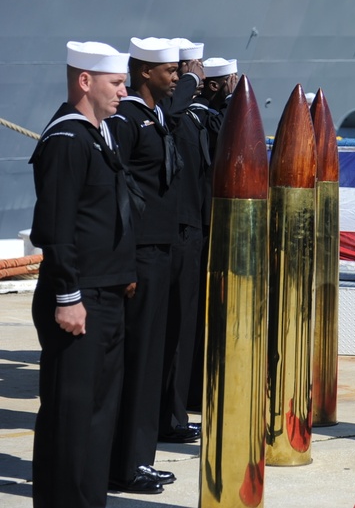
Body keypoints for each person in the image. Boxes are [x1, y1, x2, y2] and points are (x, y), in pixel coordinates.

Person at [29, 41, 136, 508]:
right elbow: (56, 226)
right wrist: (68, 296)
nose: (123, 90)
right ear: (85, 81)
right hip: (79, 299)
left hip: (106, 293)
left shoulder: (99, 133)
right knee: (69, 421)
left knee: (98, 417)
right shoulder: (67, 139)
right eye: (116, 82)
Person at [106, 37, 201, 494]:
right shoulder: (126, 120)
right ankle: (126, 464)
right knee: (138, 361)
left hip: (161, 252)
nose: (177, 77)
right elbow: (115, 191)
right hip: (141, 254)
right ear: (146, 71)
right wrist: (122, 262)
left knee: (152, 360)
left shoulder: (154, 115)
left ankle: (139, 459)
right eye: (169, 71)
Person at [157, 38, 206, 445]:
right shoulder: (162, 113)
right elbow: (170, 112)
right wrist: (189, 78)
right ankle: (167, 417)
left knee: (181, 329)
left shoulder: (189, 115)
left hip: (190, 231)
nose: (184, 79)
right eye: (175, 72)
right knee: (169, 330)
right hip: (172, 234)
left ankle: (173, 413)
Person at [185, 56, 238, 411]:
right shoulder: (207, 119)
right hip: (201, 226)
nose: (238, 84)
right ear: (217, 85)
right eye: (232, 80)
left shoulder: (212, 116)